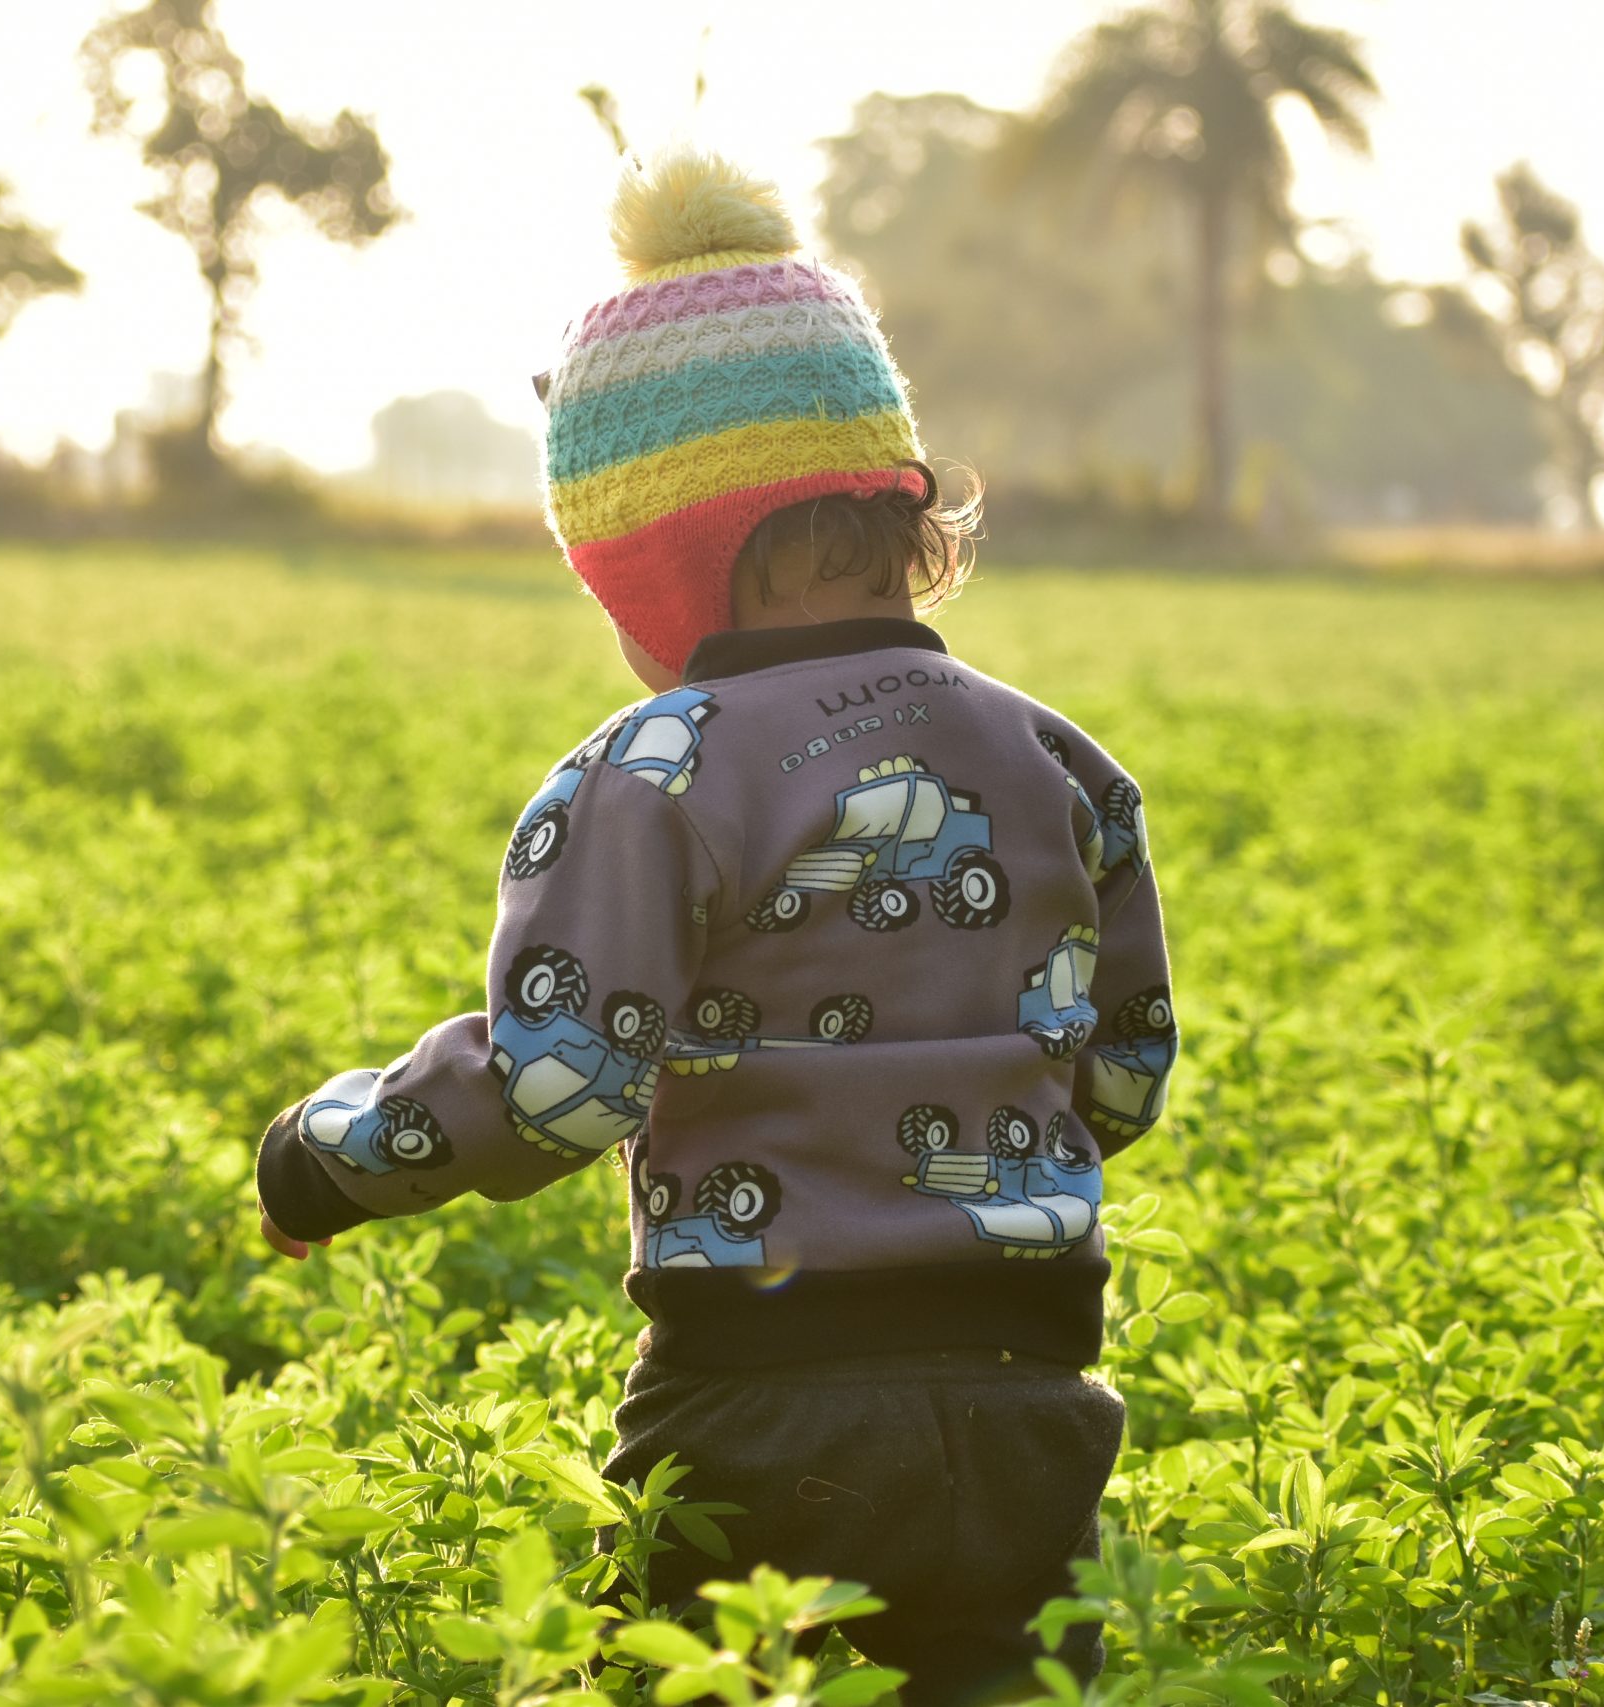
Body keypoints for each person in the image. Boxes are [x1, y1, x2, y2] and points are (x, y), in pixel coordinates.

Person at [254, 147, 1175, 1702]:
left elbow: (560, 1085)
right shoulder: (1057, 758)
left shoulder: (651, 772)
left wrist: (328, 1153)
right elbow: (1125, 1074)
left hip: (761, 1401)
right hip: (1034, 1395)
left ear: (662, 565)